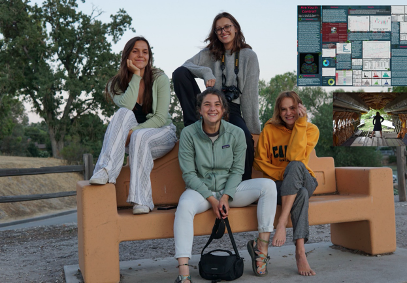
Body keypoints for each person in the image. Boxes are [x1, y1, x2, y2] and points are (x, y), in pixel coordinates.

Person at [174, 88, 276, 283]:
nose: (212, 109)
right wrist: (213, 200)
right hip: (201, 191)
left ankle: (260, 250)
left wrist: (226, 197)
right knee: (184, 205)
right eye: (207, 104)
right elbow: (188, 174)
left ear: (224, 110)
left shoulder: (236, 133)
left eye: (217, 105)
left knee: (268, 186)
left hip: (230, 190)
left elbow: (238, 170)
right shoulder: (189, 133)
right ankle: (183, 272)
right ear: (200, 110)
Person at [89, 36, 177, 215]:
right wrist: (136, 76)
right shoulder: (116, 84)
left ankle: (141, 200)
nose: (140, 55)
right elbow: (127, 106)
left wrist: (132, 132)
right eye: (135, 51)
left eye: (145, 52)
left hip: (162, 134)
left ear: (149, 56)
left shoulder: (160, 78)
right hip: (134, 141)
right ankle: (105, 170)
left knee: (138, 136)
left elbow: (160, 118)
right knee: (122, 113)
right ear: (127, 54)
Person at [172, 12, 260, 181]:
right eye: (218, 29)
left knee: (245, 138)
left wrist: (253, 130)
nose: (223, 31)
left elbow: (250, 95)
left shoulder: (249, 56)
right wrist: (206, 72)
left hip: (231, 109)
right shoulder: (209, 53)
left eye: (227, 26)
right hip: (209, 106)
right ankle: (194, 125)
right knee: (180, 73)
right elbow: (185, 66)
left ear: (235, 28)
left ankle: (243, 186)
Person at [253, 91, 319, 276]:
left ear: (300, 107)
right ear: (278, 111)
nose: (288, 113)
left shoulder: (310, 129)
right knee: (301, 193)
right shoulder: (269, 130)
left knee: (296, 166)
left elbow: (295, 157)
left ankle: (281, 223)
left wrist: (300, 123)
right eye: (284, 109)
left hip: (306, 178)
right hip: (280, 185)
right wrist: (284, 174)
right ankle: (300, 252)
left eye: (292, 108)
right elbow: (259, 162)